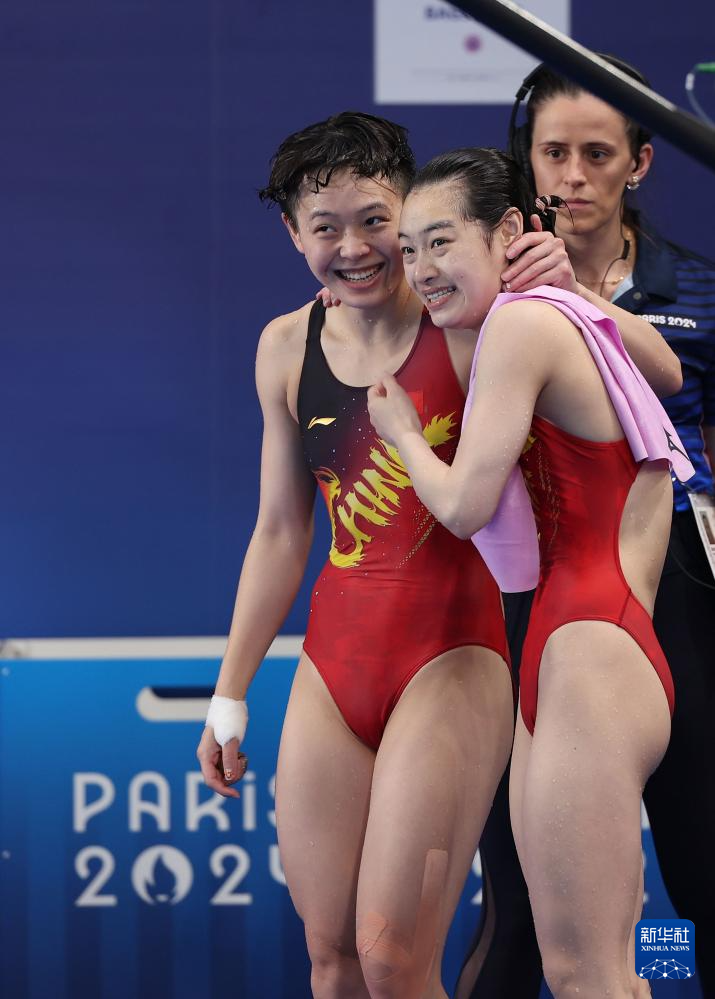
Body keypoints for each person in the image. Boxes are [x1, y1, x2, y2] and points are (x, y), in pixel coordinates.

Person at [196, 111, 524, 999]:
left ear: (410, 211)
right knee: (334, 957)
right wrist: (229, 694)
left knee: (393, 959)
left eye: (376, 220)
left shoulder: (475, 328)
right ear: (291, 233)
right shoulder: (284, 347)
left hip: (454, 657)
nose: (354, 248)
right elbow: (280, 530)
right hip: (333, 666)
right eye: (325, 227)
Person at [367, 145, 690, 998]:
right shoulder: (565, 313)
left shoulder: (518, 325)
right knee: (602, 972)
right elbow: (668, 368)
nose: (420, 268)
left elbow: (464, 505)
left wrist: (401, 435)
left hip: (586, 648)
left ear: (509, 229)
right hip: (584, 641)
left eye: (441, 241)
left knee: (585, 975)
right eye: (408, 248)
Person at [458, 58, 715, 999]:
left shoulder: (700, 288)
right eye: (553, 152)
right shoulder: (481, 281)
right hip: (539, 596)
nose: (572, 175)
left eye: (596, 154)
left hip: (680, 592)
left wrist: (577, 295)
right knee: (523, 903)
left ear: (638, 161)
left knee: (698, 875)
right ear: (524, 160)